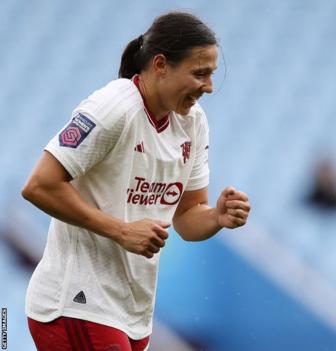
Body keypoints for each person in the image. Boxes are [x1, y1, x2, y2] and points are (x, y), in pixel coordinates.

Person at [21, 12, 251, 351]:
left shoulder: (193, 123)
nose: (209, 87)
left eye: (212, 74)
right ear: (160, 64)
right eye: (199, 73)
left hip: (132, 311)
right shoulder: (113, 108)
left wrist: (216, 216)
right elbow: (39, 185)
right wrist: (121, 230)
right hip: (77, 303)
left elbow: (187, 218)